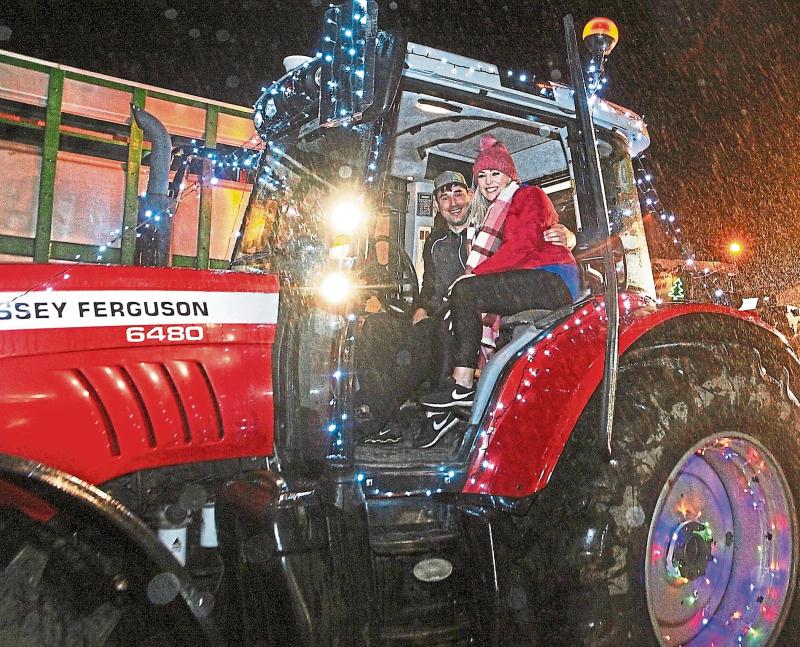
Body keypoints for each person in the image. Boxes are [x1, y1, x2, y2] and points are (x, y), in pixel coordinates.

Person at [360, 167, 575, 446]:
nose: (454, 203)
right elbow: (430, 287)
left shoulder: (492, 229)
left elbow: (528, 241)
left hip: (473, 315)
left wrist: (566, 234)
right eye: (445, 198)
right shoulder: (435, 243)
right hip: (440, 311)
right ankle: (384, 415)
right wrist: (420, 309)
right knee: (375, 327)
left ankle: (404, 418)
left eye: (458, 194)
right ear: (437, 206)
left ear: (471, 196)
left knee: (433, 334)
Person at [419, 136, 580, 413]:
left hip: (552, 278)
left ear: (509, 175)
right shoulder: (491, 212)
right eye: (482, 175)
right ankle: (444, 405)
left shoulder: (530, 196)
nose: (488, 180)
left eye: (496, 173)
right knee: (450, 313)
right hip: (530, 276)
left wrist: (474, 276)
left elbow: (522, 246)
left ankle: (463, 384)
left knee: (466, 291)